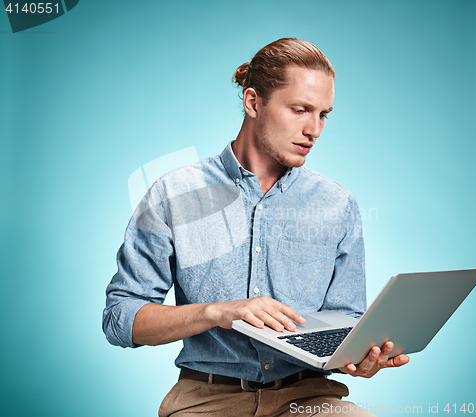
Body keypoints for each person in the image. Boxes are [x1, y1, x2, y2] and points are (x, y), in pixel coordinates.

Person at [102, 38, 409, 416]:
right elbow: (120, 318)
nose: (314, 129)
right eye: (300, 110)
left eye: (323, 114)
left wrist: (360, 356)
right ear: (253, 103)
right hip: (208, 400)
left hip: (310, 398)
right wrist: (216, 312)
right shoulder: (176, 193)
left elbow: (345, 321)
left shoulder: (337, 204)